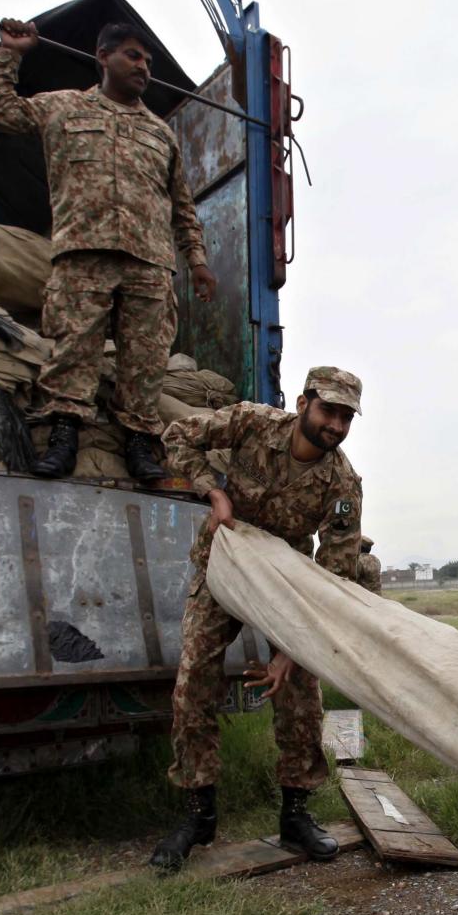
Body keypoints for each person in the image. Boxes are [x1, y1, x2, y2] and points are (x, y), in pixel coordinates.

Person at [0, 18, 216, 482]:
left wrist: (198, 261)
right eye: (132, 55)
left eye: (147, 60)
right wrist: (10, 53)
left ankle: (140, 447)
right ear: (103, 57)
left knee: (144, 363)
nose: (143, 66)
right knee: (75, 350)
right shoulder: (64, 108)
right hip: (84, 254)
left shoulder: (160, 134)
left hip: (149, 264)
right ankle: (64, 437)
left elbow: (181, 204)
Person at [150, 367, 366, 870]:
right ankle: (199, 813)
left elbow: (334, 576)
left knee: (299, 693)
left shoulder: (343, 484)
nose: (335, 424)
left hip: (284, 583)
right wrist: (212, 491)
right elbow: (178, 436)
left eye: (346, 417)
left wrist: (291, 650)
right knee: (194, 682)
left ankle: (296, 813)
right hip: (223, 565)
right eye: (328, 410)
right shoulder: (251, 424)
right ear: (302, 402)